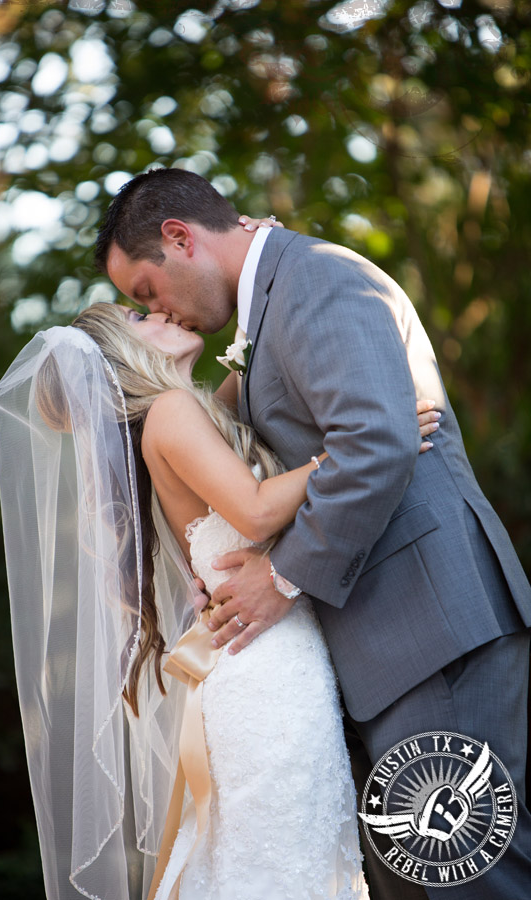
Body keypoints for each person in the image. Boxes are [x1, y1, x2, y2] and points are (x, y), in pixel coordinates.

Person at [94, 167, 531, 900]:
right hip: (378, 650)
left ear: (179, 239)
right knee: (422, 883)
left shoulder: (317, 279)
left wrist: (283, 575)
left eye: (147, 291)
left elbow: (377, 442)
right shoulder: (261, 316)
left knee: (472, 876)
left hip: (430, 630)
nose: (160, 312)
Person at [0, 291, 436, 900]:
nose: (165, 313)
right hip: (267, 667)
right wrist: (369, 446)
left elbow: (244, 373)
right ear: (122, 354)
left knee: (281, 861)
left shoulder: (186, 410)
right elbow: (254, 513)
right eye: (139, 317)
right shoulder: (172, 413)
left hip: (269, 657)